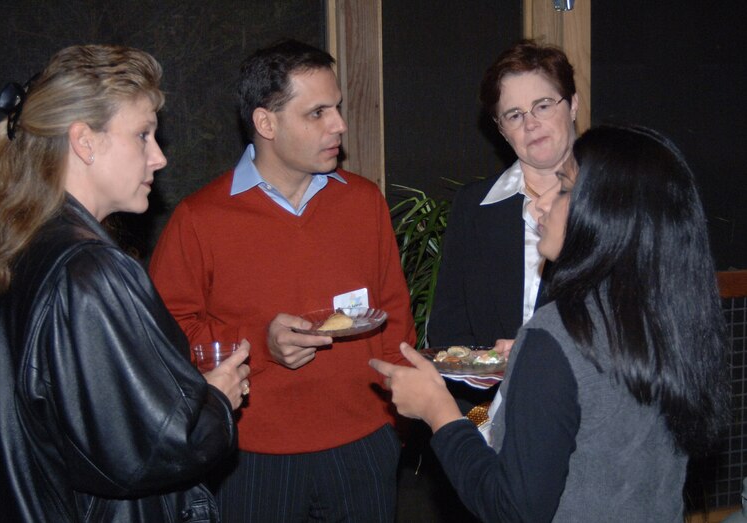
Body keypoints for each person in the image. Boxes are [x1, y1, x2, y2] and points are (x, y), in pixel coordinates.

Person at [370, 125, 732, 521]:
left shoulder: (557, 336)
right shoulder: (665, 311)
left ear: (607, 213)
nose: (538, 205)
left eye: (562, 188)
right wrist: (529, 372)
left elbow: (513, 509)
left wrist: (437, 409)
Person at [0, 45, 250, 522]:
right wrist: (217, 402)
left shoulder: (23, 241)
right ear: (84, 141)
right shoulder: (89, 269)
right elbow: (144, 452)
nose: (159, 157)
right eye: (143, 135)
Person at [149, 39, 416, 522]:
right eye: (317, 113)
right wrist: (260, 345)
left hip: (363, 450)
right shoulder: (199, 219)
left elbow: (394, 312)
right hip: (249, 458)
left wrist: (394, 424)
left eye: (336, 108)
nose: (338, 125)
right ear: (266, 123)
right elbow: (163, 340)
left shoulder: (362, 201)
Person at [428, 38, 578, 360]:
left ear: (573, 104)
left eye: (543, 105)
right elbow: (447, 329)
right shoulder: (472, 207)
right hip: (492, 403)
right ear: (500, 128)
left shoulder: (616, 199)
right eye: (514, 115)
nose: (531, 123)